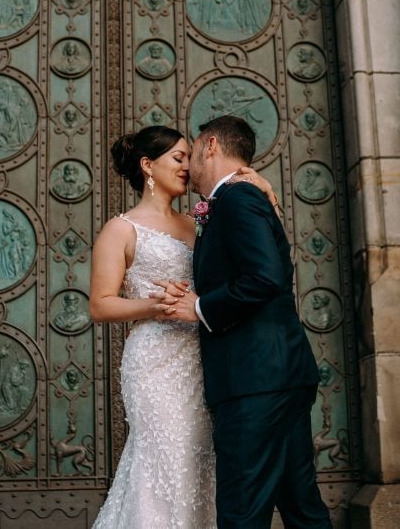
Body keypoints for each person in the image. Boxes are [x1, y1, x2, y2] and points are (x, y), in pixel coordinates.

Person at [89, 125, 276, 529]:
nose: (187, 167)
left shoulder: (199, 223)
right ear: (147, 165)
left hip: (204, 355)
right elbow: (100, 305)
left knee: (201, 463)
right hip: (155, 361)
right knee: (162, 459)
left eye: (188, 157)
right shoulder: (121, 229)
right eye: (177, 158)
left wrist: (256, 182)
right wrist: (153, 305)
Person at [157, 115, 331, 528]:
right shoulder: (243, 197)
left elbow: (266, 276)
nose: (190, 162)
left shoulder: (236, 199)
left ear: (211, 145)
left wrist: (200, 308)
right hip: (280, 375)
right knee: (302, 508)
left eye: (194, 149)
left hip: (254, 383)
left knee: (241, 512)